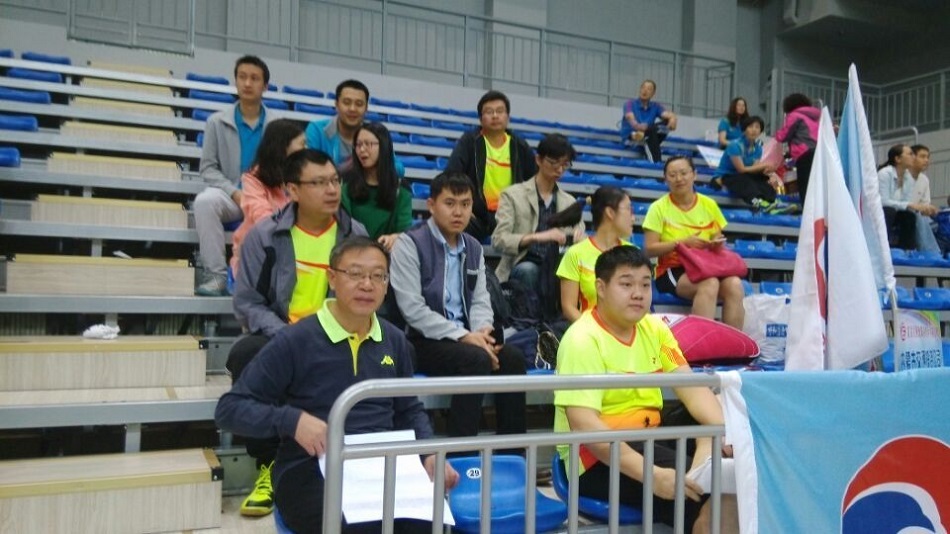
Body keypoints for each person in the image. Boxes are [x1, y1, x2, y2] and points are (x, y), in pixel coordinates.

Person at [216, 237, 459, 534]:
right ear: (332, 278)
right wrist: (292, 421)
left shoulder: (395, 340)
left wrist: (428, 453)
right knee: (360, 526)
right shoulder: (296, 339)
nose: (367, 285)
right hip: (311, 464)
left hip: (383, 463)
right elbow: (230, 409)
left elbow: (408, 409)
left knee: (432, 523)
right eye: (355, 274)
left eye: (378, 276)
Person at [554, 245, 738, 534]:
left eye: (644, 284)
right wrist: (652, 476)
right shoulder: (582, 340)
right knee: (713, 493)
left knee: (719, 408)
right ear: (600, 288)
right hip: (596, 458)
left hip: (651, 433)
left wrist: (723, 435)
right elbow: (586, 428)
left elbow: (692, 389)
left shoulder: (655, 329)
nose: (638, 293)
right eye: (626, 284)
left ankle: (706, 457)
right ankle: (704, 479)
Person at [228, 148, 367, 517]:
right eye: (318, 183)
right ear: (292, 190)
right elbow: (247, 302)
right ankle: (267, 465)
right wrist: (288, 334)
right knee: (244, 354)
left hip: (339, 331)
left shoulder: (355, 234)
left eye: (335, 181)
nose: (332, 190)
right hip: (282, 332)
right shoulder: (266, 235)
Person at [390, 171, 527, 440]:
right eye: (450, 203)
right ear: (431, 205)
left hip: (467, 339)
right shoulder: (410, 244)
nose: (458, 212)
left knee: (512, 358)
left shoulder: (473, 247)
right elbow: (413, 309)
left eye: (465, 204)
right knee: (475, 359)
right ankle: (461, 450)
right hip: (421, 339)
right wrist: (465, 337)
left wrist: (482, 333)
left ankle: (513, 452)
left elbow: (480, 300)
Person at [195, 55, 277, 296]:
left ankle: (268, 283)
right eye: (242, 77)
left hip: (268, 198)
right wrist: (234, 192)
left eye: (254, 78)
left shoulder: (278, 124)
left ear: (265, 86)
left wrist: (260, 193)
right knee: (204, 202)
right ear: (236, 81)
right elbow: (208, 168)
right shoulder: (216, 122)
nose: (247, 83)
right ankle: (217, 276)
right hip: (232, 196)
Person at [643, 156, 745, 330]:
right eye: (672, 175)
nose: (679, 179)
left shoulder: (709, 204)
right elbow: (649, 249)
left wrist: (715, 243)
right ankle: (702, 343)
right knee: (710, 283)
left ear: (694, 175)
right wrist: (682, 243)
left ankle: (733, 343)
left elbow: (718, 238)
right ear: (665, 179)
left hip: (705, 266)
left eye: (683, 173)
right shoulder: (658, 208)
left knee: (735, 284)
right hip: (672, 270)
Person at [491, 133, 586, 302]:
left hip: (557, 264)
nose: (559, 170)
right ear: (538, 160)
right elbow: (499, 240)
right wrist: (536, 237)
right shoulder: (513, 195)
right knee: (529, 271)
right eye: (554, 162)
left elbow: (581, 236)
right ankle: (530, 316)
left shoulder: (569, 201)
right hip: (523, 263)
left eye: (565, 164)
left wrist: (579, 238)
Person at [446, 90, 538, 241]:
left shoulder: (519, 146)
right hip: (478, 215)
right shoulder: (470, 141)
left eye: (500, 111)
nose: (495, 116)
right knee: (452, 226)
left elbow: (535, 180)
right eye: (489, 112)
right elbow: (452, 175)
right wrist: (464, 207)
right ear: (481, 119)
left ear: (508, 117)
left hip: (510, 217)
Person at [230, 119, 306, 275]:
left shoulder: (305, 176)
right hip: (258, 253)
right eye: (302, 144)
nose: (306, 149)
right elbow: (263, 219)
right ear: (284, 147)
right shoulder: (253, 179)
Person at [556, 186, 635, 323]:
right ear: (610, 212)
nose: (633, 218)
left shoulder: (633, 252)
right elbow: (569, 308)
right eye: (628, 209)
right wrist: (595, 331)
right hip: (589, 331)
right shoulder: (576, 254)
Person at [341, 122, 412, 252]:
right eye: (358, 145)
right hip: (351, 251)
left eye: (368, 144)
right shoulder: (346, 183)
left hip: (387, 254)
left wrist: (395, 237)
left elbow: (405, 231)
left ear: (384, 146)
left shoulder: (401, 188)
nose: (362, 150)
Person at [715, 116, 794, 214]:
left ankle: (773, 202)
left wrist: (767, 171)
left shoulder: (758, 148)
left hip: (743, 175)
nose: (754, 130)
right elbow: (741, 169)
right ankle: (759, 203)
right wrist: (763, 165)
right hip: (727, 176)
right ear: (744, 129)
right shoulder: (735, 145)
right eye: (750, 127)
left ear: (760, 131)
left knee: (762, 178)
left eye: (757, 127)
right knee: (745, 180)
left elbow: (754, 168)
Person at [878, 144, 937, 251]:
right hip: (880, 211)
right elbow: (883, 201)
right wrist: (911, 205)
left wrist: (921, 208)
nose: (913, 157)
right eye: (910, 154)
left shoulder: (908, 178)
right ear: (898, 159)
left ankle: (907, 250)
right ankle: (883, 248)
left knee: (909, 215)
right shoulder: (885, 174)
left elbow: (905, 202)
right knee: (889, 211)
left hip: (896, 211)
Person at [774, 93, 819, 203]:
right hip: (817, 153)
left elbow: (784, 135)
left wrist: (776, 136)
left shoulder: (794, 115)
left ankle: (806, 211)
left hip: (804, 154)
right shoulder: (814, 117)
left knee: (804, 185)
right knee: (814, 185)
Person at [620, 79, 678, 163]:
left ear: (653, 93)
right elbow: (630, 118)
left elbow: (668, 115)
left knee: (665, 123)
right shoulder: (629, 103)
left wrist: (673, 119)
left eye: (649, 89)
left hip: (648, 134)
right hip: (632, 136)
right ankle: (656, 162)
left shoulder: (655, 106)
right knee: (650, 131)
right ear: (640, 89)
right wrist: (640, 127)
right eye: (643, 88)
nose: (645, 91)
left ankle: (649, 142)